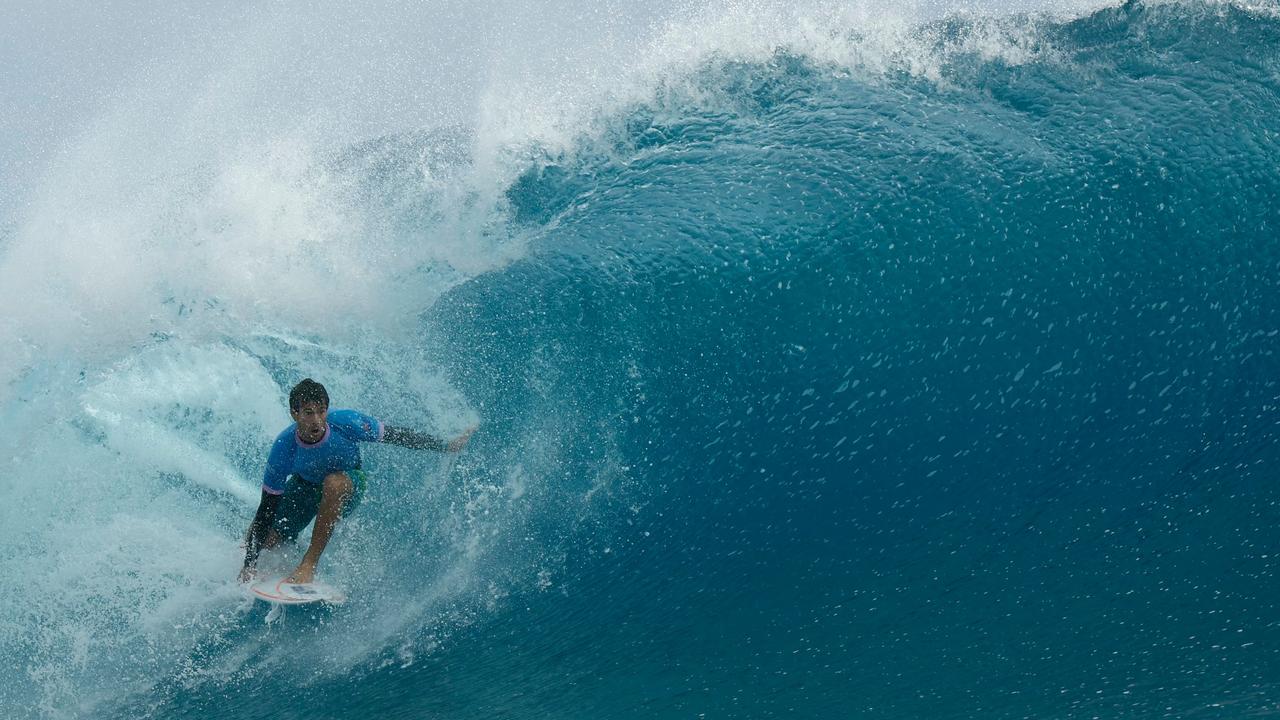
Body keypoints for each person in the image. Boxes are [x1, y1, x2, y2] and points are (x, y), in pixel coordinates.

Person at [238, 378, 475, 584]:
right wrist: (249, 564)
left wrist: (444, 446)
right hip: (305, 486)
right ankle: (279, 544)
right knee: (263, 539)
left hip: (348, 485)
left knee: (333, 482)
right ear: (294, 413)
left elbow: (396, 435)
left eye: (321, 411)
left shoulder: (346, 422)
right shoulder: (283, 448)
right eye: (308, 413)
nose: (317, 420)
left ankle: (309, 563)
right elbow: (267, 507)